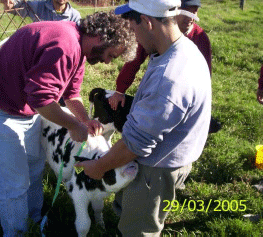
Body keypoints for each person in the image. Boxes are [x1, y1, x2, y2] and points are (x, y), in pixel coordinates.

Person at [0, 11, 137, 237]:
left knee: (33, 168)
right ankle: (18, 233)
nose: (108, 61)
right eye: (110, 55)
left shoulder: (78, 48)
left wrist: (84, 120)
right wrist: (74, 126)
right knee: (13, 183)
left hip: (23, 109)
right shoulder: (64, 45)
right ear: (101, 38)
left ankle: (34, 219)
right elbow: (42, 100)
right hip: (0, 109)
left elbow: (71, 93)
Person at [75, 0, 212, 236]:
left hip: (155, 170)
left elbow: (134, 145)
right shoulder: (182, 50)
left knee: (138, 230)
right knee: (130, 211)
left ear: (147, 22)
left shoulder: (170, 78)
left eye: (132, 26)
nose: (132, 34)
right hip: (168, 156)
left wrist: (98, 167)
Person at [108, 0, 220, 133]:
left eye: (195, 10)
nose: (191, 16)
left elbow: (137, 142)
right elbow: (134, 61)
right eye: (187, 10)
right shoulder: (155, 38)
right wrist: (120, 90)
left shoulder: (166, 79)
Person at [3, 0, 81, 24]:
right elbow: (15, 7)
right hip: (40, 54)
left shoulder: (74, 16)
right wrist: (10, 4)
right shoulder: (38, 6)